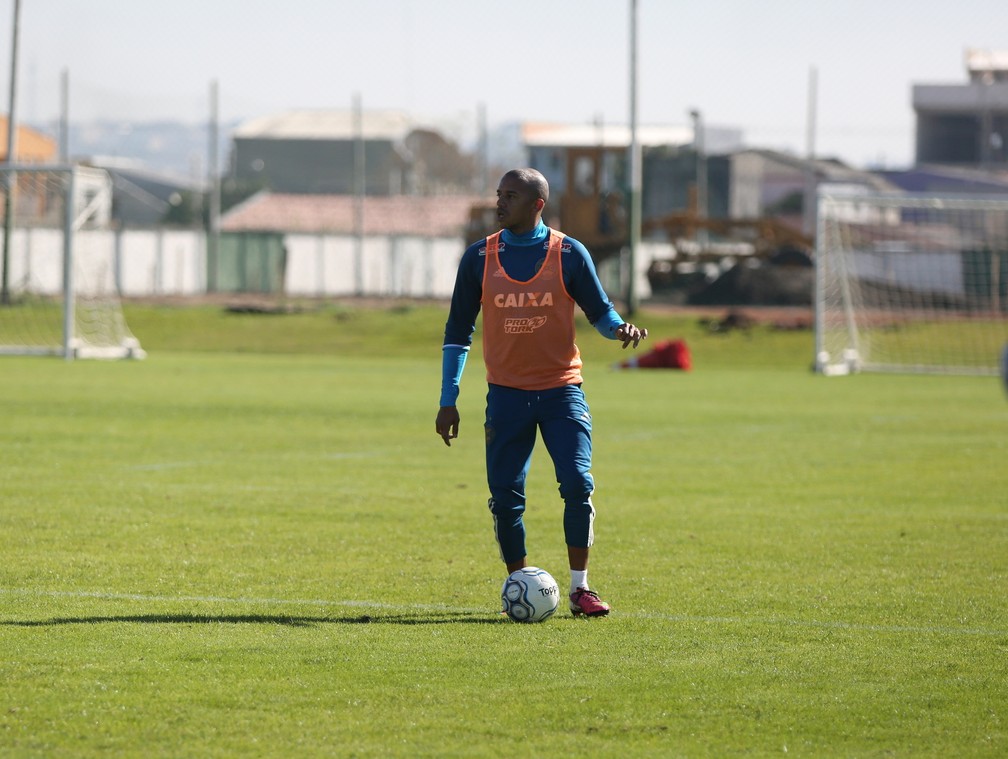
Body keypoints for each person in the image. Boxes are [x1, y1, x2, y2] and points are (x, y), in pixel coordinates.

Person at [435, 168, 648, 618]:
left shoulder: (569, 253)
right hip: (507, 396)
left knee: (577, 483)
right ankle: (520, 580)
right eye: (498, 194)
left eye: (510, 196)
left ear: (537, 204)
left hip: (561, 392)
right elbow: (458, 331)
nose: (499, 202)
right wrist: (448, 399)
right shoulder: (479, 257)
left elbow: (602, 314)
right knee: (506, 497)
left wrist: (621, 330)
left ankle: (580, 589)